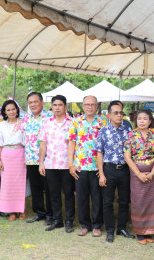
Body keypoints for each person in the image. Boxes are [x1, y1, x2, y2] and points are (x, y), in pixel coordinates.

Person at [67, 95, 108, 237]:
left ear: (97, 106)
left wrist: (104, 167)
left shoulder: (104, 121)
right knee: (82, 197)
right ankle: (85, 224)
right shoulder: (76, 122)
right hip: (80, 167)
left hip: (98, 167)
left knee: (97, 197)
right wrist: (70, 164)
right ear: (83, 106)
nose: (90, 107)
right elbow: (71, 143)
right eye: (87, 104)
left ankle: (97, 225)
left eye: (93, 104)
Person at [96, 101, 134, 243]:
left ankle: (122, 228)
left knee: (124, 201)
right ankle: (110, 230)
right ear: (109, 115)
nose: (119, 115)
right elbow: (99, 152)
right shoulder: (103, 131)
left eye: (121, 113)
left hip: (124, 170)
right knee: (108, 201)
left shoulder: (128, 130)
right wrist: (101, 173)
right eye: (116, 113)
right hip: (109, 169)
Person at [123, 109, 154, 245]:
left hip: (152, 173)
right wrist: (138, 174)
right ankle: (140, 232)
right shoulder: (131, 135)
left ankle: (150, 231)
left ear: (150, 121)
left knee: (152, 202)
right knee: (138, 202)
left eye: (145, 118)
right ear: (136, 120)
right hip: (136, 174)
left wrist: (152, 173)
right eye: (139, 118)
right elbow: (127, 156)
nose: (142, 121)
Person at [38, 95, 75, 233]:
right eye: (55, 105)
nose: (57, 108)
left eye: (60, 105)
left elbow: (75, 144)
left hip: (67, 165)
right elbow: (43, 144)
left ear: (65, 106)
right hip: (51, 164)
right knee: (53, 193)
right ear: (52, 106)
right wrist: (41, 163)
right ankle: (57, 220)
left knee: (69, 193)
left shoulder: (73, 122)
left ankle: (69, 220)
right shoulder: (46, 123)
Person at [0, 100, 26, 221]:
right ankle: (11, 211)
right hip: (6, 155)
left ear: (17, 110)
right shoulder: (1, 125)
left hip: (20, 155)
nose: (11, 111)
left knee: (20, 184)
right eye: (8, 110)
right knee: (8, 184)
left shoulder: (23, 123)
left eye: (13, 109)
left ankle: (21, 210)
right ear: (5, 112)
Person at [24, 92, 53, 225]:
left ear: (41, 102)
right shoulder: (27, 118)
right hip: (30, 159)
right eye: (30, 102)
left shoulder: (49, 117)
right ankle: (39, 212)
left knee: (48, 188)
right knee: (35, 187)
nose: (33, 104)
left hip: (46, 159)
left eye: (35, 102)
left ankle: (51, 214)